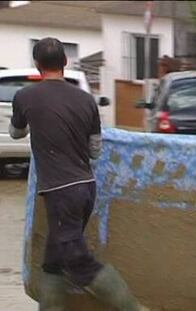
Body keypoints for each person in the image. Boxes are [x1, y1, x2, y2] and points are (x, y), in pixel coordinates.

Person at [9, 38, 144, 311]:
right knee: (54, 259)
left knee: (77, 259)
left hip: (60, 191)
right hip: (86, 189)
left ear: (37, 66)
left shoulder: (25, 96)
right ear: (65, 62)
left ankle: (135, 309)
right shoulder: (86, 100)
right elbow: (95, 150)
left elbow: (16, 133)